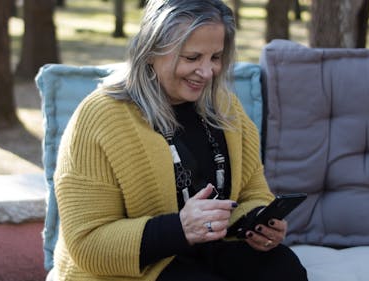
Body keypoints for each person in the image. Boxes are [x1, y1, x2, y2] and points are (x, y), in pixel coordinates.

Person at [50, 0, 308, 280]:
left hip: (210, 252)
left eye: (215, 57)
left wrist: (257, 221)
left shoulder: (225, 107)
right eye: (192, 57)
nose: (208, 72)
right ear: (150, 51)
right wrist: (181, 228)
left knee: (284, 268)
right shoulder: (100, 116)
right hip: (132, 269)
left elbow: (253, 192)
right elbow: (88, 243)